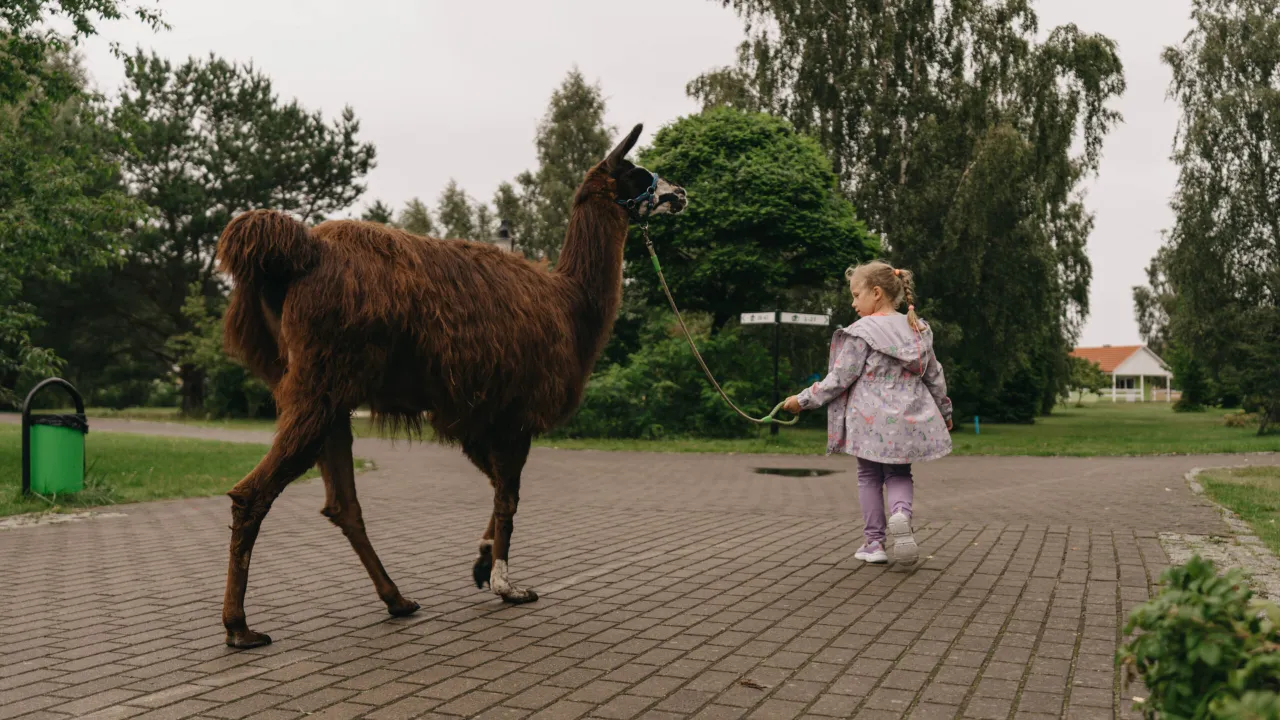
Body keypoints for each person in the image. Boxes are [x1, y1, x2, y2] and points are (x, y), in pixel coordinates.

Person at [782, 261, 953, 565]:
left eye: (856, 295)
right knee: (899, 473)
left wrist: (803, 400)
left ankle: (874, 543)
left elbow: (839, 379)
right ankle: (901, 514)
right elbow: (934, 375)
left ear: (876, 293)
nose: (853, 303)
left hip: (868, 420)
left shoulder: (861, 332)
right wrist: (945, 410)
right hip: (906, 420)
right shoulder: (917, 328)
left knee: (869, 476)